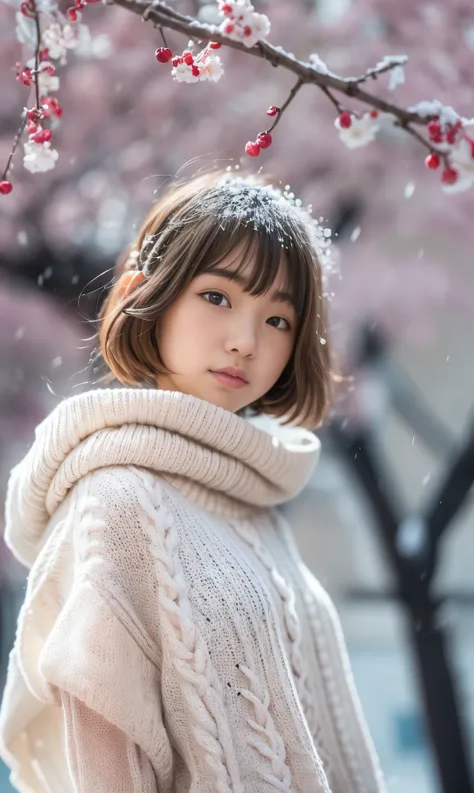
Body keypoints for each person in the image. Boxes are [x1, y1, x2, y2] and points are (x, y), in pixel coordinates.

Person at [0, 170, 385, 793]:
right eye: (217, 297)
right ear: (144, 294)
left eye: (278, 320)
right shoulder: (119, 501)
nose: (244, 341)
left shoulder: (249, 496)